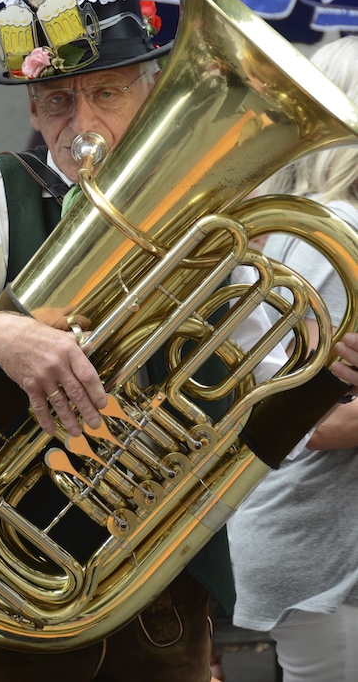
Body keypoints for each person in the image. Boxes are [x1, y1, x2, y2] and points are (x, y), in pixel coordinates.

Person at [0, 0, 357, 682]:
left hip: (165, 604)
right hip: (5, 601)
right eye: (57, 100)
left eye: (107, 92)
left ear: (152, 95)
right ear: (32, 109)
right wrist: (4, 335)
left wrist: (331, 370)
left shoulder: (215, 221)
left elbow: (274, 401)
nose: (81, 123)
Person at [227, 35, 358, 682]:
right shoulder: (335, 231)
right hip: (315, 547)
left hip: (309, 542)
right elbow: (307, 421)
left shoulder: (304, 223)